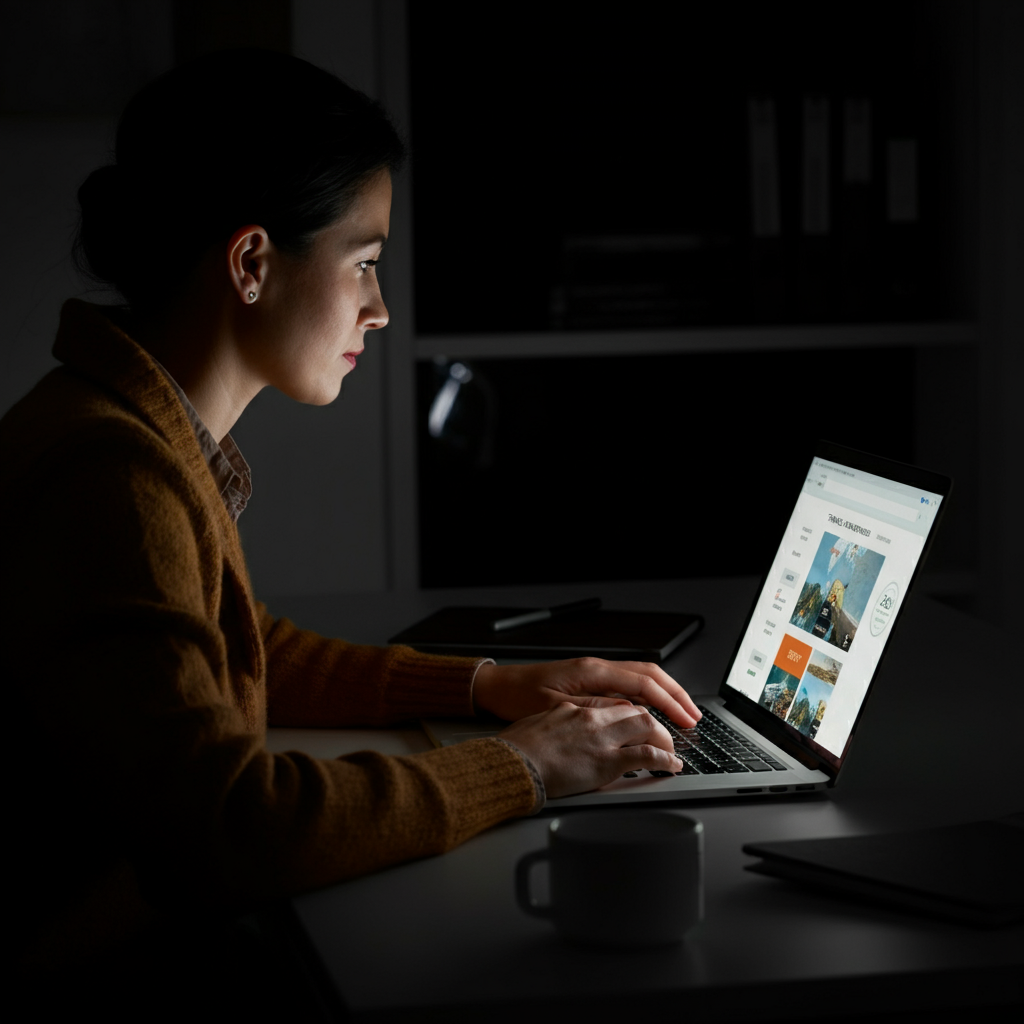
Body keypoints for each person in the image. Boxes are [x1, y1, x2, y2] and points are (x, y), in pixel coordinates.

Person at [3, 49, 699, 1007]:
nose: (380, 310)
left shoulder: (122, 433)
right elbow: (228, 830)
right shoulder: (113, 476)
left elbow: (232, 653)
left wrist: (486, 684)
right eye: (365, 263)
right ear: (252, 263)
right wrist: (523, 767)